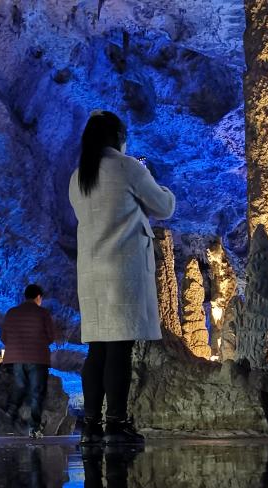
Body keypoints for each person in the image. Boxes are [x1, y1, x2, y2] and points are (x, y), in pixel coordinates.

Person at [68, 110, 176, 446]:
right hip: (122, 270)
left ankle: (90, 426)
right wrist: (151, 176)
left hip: (92, 273)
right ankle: (116, 422)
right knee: (120, 350)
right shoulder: (128, 167)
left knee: (97, 350)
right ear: (117, 137)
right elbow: (163, 206)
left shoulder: (78, 176)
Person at [0, 283, 56, 438]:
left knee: (20, 385)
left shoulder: (11, 312)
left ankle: (10, 412)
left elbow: (3, 337)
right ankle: (34, 427)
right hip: (38, 358)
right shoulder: (43, 313)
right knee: (37, 392)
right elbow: (51, 336)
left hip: (16, 358)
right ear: (38, 297)